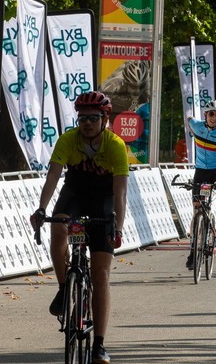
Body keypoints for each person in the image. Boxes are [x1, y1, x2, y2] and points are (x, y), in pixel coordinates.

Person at [30, 91, 127, 364]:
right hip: (74, 192)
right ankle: (64, 287)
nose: (86, 123)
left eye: (92, 118)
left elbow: (120, 192)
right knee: (59, 227)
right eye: (82, 118)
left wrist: (117, 226)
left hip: (103, 200)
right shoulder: (68, 139)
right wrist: (41, 208)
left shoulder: (116, 145)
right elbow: (53, 175)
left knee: (101, 275)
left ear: (105, 118)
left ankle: (99, 345)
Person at [185, 99, 216, 269]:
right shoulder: (197, 126)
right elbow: (189, 120)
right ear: (206, 114)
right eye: (211, 114)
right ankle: (193, 251)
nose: (214, 117)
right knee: (197, 211)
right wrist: (189, 118)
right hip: (201, 171)